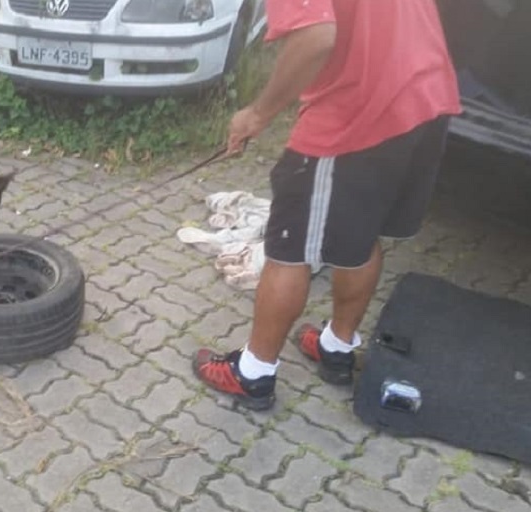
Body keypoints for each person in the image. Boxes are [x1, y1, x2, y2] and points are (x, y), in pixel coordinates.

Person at [192, 0, 462, 411]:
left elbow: (317, 37)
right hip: (426, 97)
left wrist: (258, 113)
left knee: (289, 249)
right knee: (362, 230)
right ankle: (337, 348)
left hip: (357, 117)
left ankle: (253, 375)